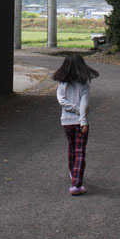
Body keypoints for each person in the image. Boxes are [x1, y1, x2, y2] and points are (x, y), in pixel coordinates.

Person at [52, 53, 99, 195]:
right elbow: (84, 105)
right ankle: (76, 185)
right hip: (80, 122)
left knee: (71, 147)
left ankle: (73, 173)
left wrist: (75, 110)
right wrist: (82, 117)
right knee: (80, 151)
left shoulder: (62, 84)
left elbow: (62, 101)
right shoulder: (84, 85)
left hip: (66, 122)